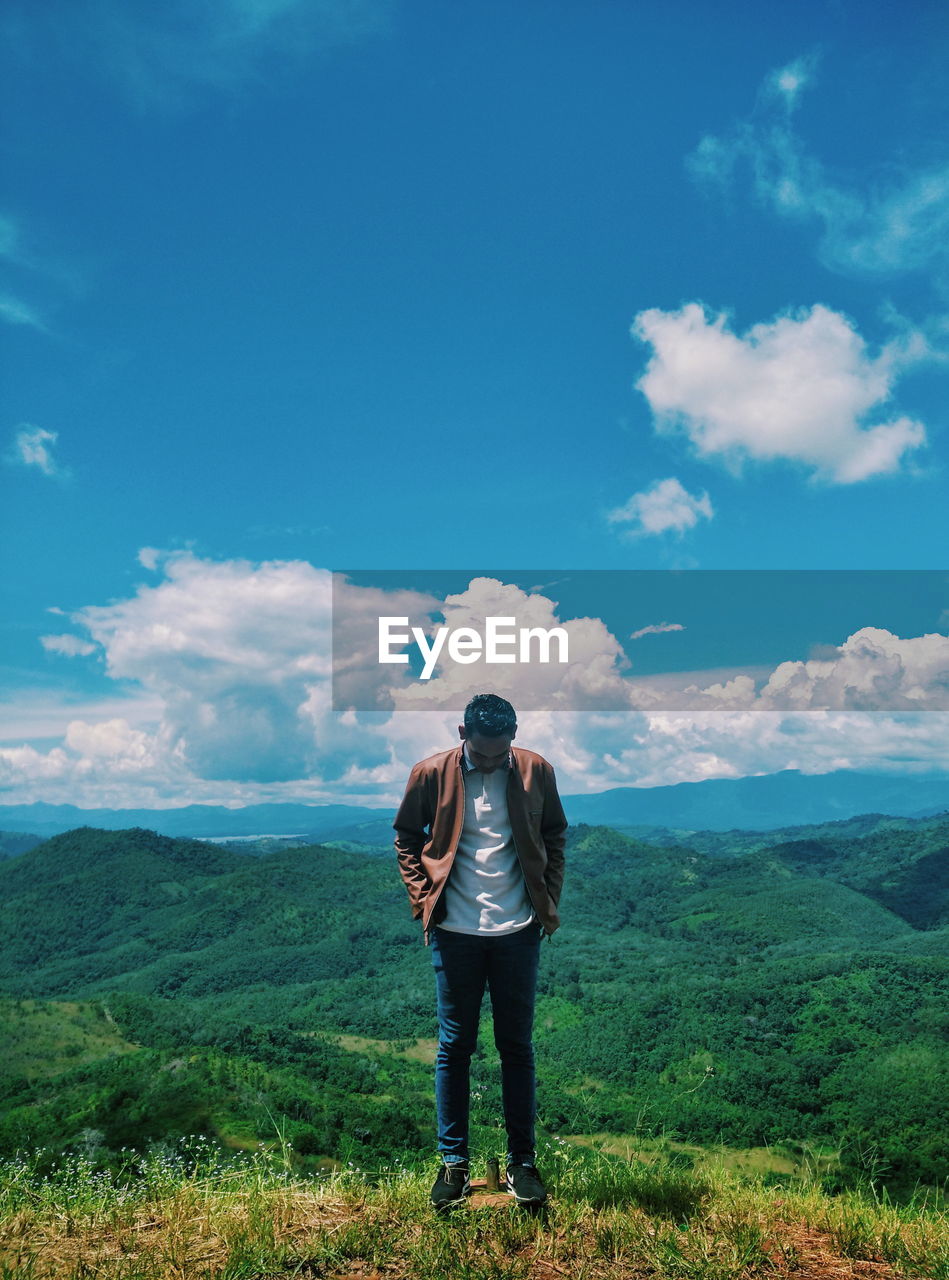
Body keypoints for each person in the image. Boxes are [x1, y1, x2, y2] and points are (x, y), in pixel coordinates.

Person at [393, 692, 568, 1209]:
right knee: (455, 1048)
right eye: (482, 753)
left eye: (501, 752)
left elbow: (554, 835)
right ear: (462, 734)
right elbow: (406, 836)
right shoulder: (430, 774)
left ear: (513, 737)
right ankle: (453, 1164)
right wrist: (424, 899)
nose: (492, 762)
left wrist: (547, 901)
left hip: (518, 930)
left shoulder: (536, 770)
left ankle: (522, 1163)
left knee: (516, 1047)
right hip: (455, 931)